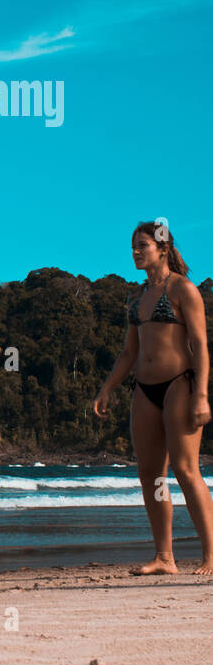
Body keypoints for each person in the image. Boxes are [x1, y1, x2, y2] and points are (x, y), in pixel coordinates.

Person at [93, 222, 212, 574]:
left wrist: (202, 395)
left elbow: (200, 345)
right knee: (151, 475)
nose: (135, 252)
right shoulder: (135, 296)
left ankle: (211, 555)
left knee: (186, 471)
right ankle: (164, 557)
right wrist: (107, 388)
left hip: (180, 385)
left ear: (162, 249)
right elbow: (129, 352)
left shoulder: (183, 289)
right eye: (133, 246)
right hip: (144, 390)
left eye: (142, 245)